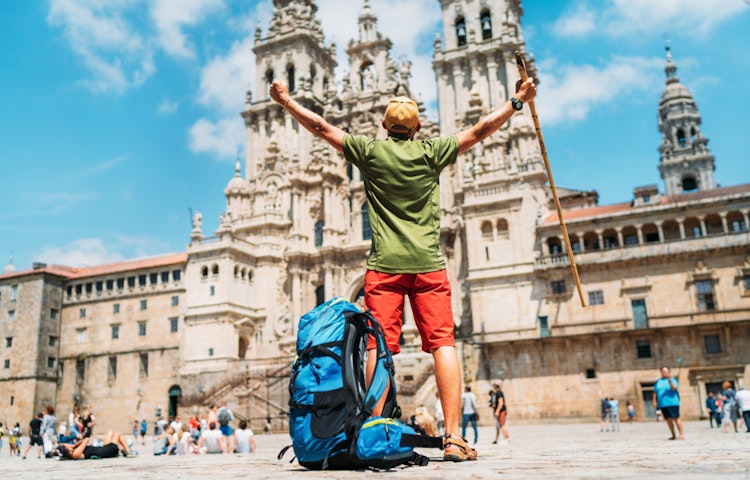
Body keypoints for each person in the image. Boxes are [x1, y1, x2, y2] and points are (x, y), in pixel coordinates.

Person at [270, 72, 536, 463]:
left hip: (383, 267)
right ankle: (454, 438)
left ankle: (372, 430)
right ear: (418, 127)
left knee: (380, 347)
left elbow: (321, 126)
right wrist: (517, 102)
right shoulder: (433, 151)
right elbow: (479, 131)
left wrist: (286, 102)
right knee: (443, 344)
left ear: (382, 126)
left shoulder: (369, 152)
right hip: (428, 263)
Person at [55, 430, 136, 459]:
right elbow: (86, 439)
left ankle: (122, 449)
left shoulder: (73, 452)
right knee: (118, 435)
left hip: (103, 448)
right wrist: (73, 445)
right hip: (106, 451)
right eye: (66, 445)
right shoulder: (75, 453)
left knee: (110, 432)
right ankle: (127, 450)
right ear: (67, 449)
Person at [653, 366, 684, 440]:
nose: (665, 373)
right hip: (663, 403)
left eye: (666, 371)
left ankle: (681, 434)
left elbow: (674, 388)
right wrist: (654, 401)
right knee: (668, 419)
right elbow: (655, 392)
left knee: (676, 418)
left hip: (673, 402)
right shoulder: (658, 381)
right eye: (663, 371)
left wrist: (669, 379)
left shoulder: (673, 380)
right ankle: (673, 435)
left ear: (669, 372)